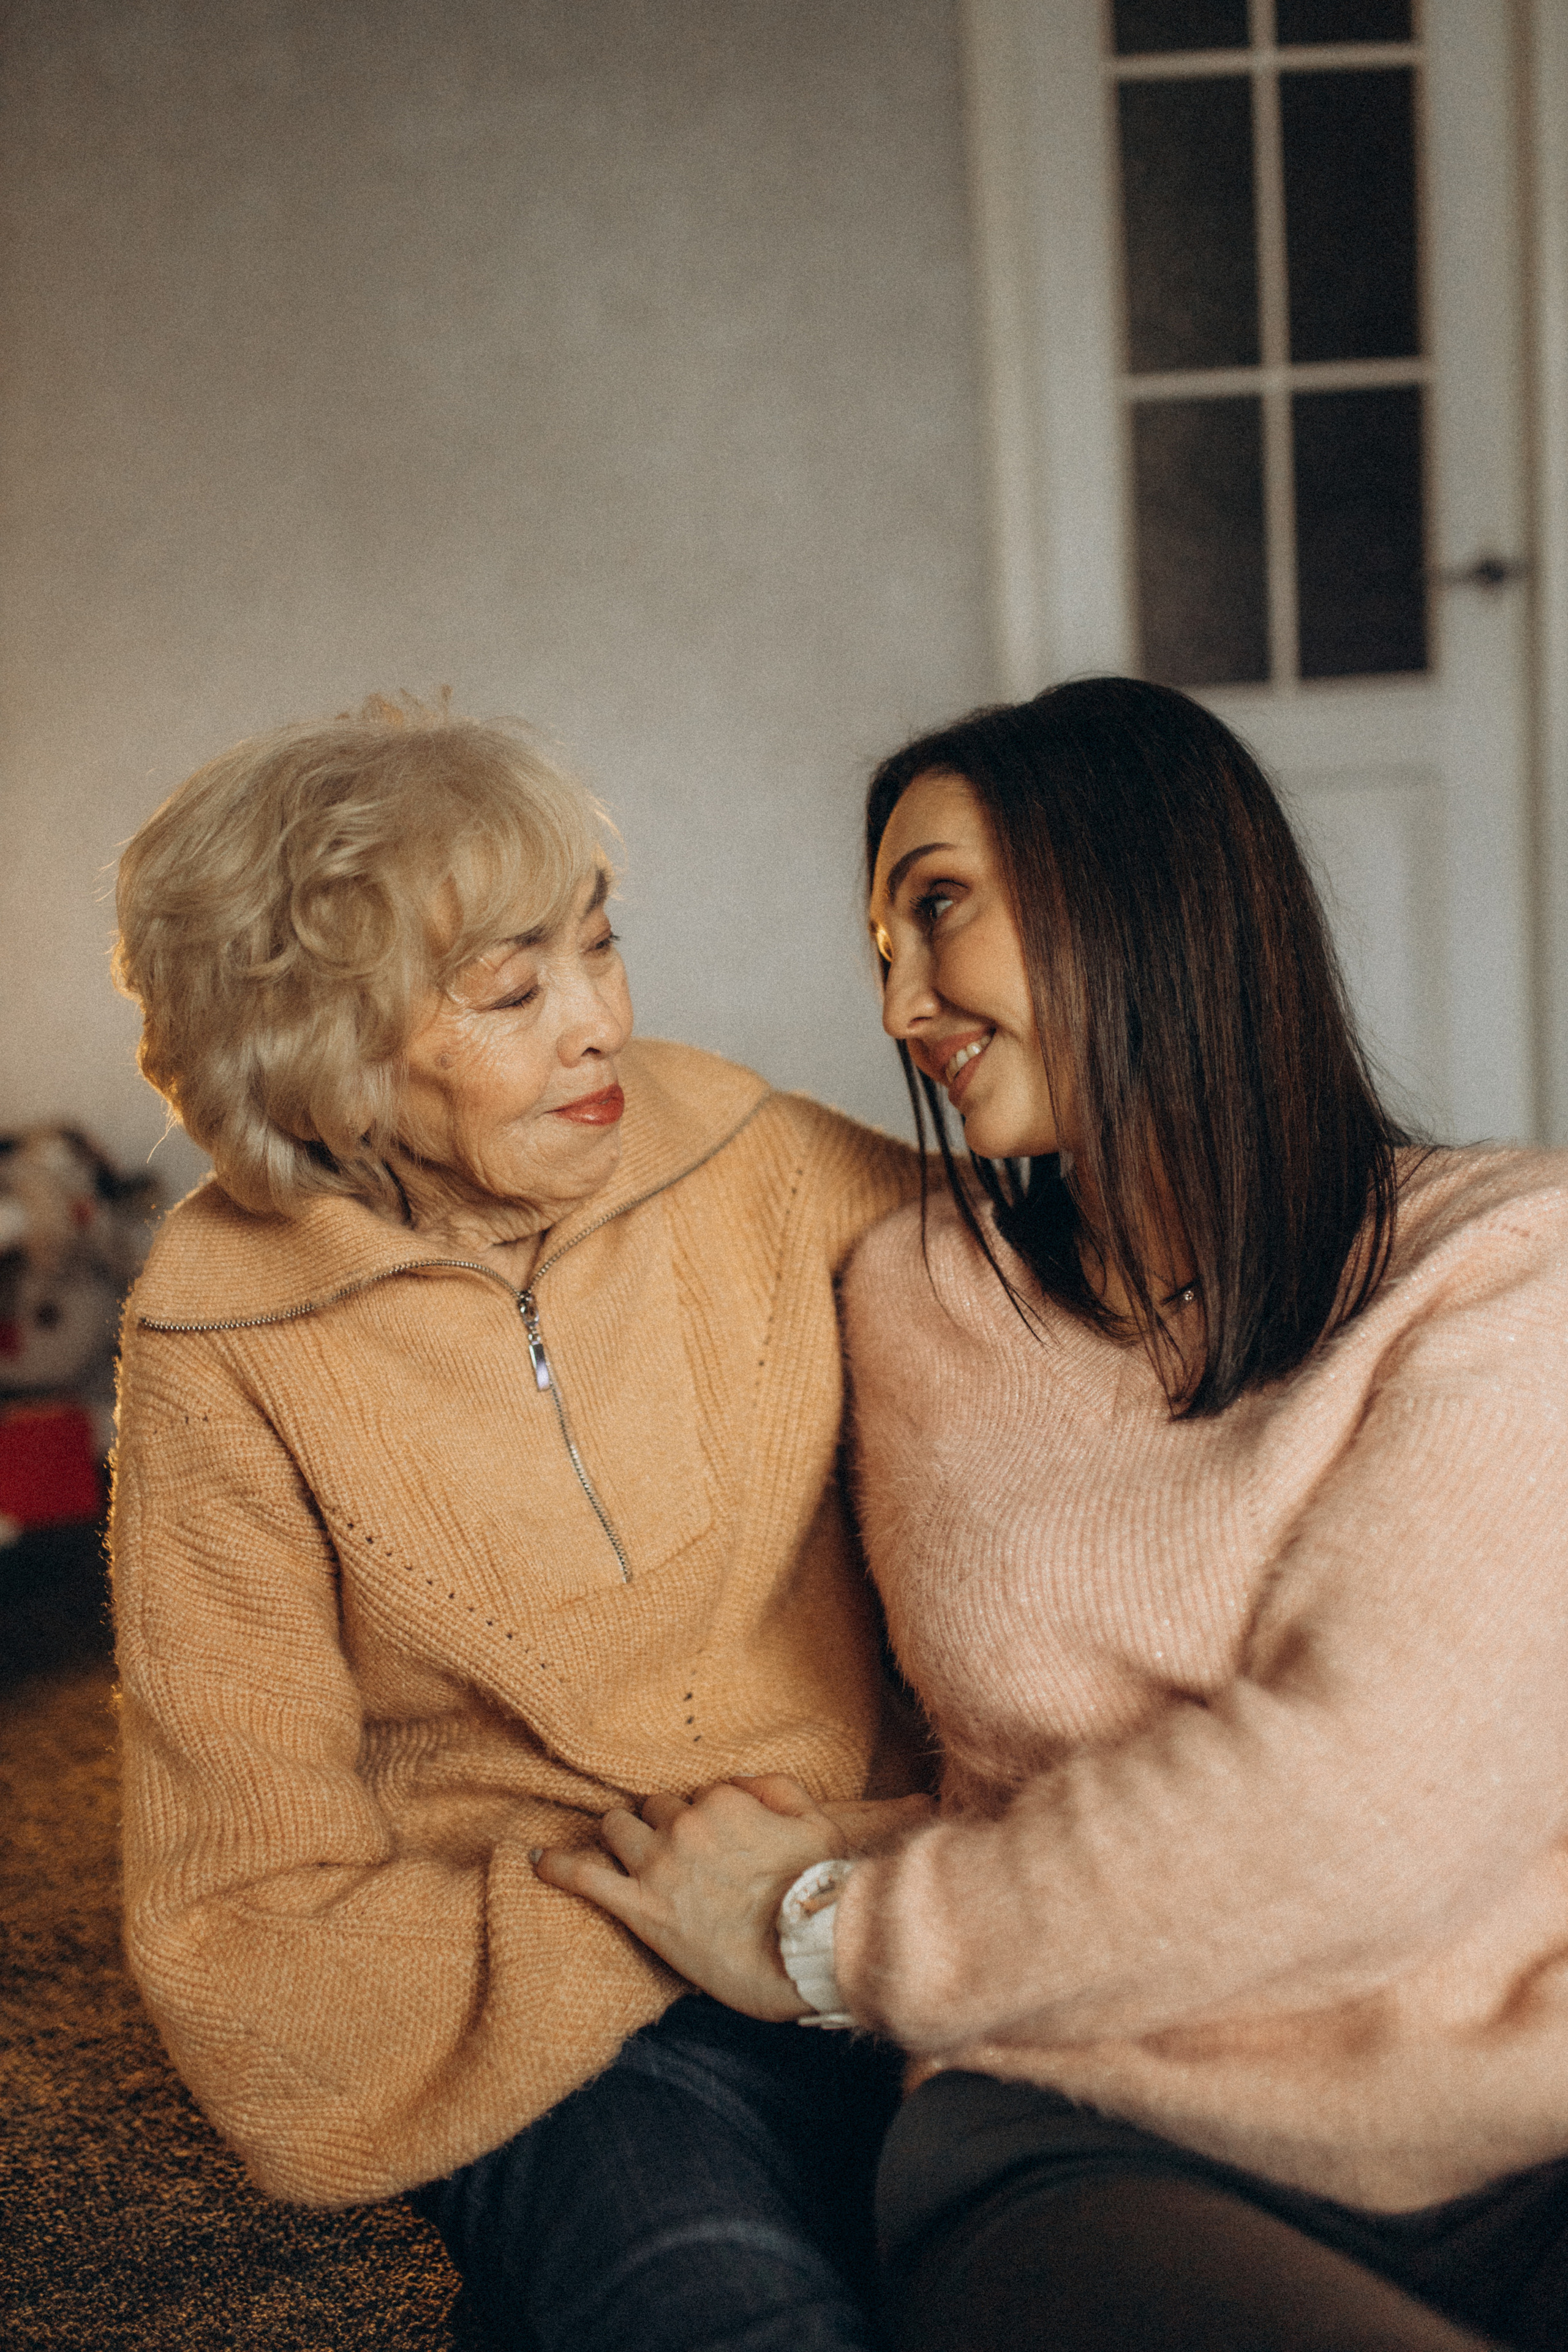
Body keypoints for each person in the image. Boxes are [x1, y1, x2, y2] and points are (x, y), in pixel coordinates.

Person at [537, 677, 1568, 2351]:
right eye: (879, 941)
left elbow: (1378, 1798)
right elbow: (999, 1766)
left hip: (1522, 2115)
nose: (897, 1000)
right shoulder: (915, 1296)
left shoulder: (1508, 1264)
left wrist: (835, 1935)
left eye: (936, 905)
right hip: (1087, 2130)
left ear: (1138, 880)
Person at [109, 693, 931, 2352]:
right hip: (574, 2019)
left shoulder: (741, 1149)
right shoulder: (220, 1342)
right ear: (322, 1065)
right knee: (724, 2309)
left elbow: (1084, 1303)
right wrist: (651, 1916)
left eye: (600, 947)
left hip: (896, 1902)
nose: (601, 1022)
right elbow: (245, 1917)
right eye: (511, 990)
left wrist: (849, 1884)